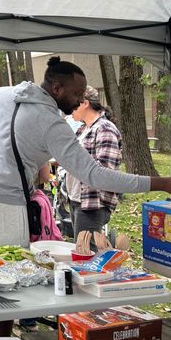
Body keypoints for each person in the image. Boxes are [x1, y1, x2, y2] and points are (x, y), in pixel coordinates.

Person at [0, 56, 171, 336]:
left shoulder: (0, 94)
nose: (80, 100)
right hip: (1, 205)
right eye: (76, 94)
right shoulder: (51, 123)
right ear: (57, 88)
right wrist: (162, 182)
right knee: (9, 279)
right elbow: (94, 175)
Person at [67, 86, 122, 251]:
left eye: (72, 105)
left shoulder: (104, 129)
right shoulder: (83, 129)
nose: (69, 110)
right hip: (76, 199)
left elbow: (104, 171)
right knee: (80, 252)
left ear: (84, 103)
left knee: (87, 255)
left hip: (92, 203)